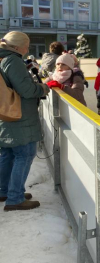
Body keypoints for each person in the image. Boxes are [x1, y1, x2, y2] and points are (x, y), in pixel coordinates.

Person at [0, 32, 50, 211]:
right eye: (26, 45)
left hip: (6, 115)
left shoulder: (2, 59)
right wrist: (43, 88)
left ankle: (5, 191)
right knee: (25, 154)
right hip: (19, 116)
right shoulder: (13, 61)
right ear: (16, 47)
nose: (27, 49)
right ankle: (15, 198)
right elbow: (26, 90)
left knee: (8, 154)